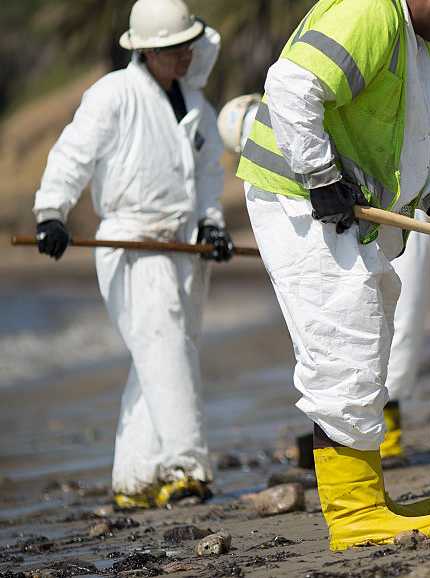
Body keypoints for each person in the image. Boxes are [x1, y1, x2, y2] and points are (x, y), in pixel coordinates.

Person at [235, 0, 430, 551]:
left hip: (335, 203)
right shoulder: (371, 11)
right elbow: (291, 86)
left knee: (367, 334)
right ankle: (354, 515)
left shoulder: (413, 42)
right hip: (300, 199)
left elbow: (412, 145)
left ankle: (369, 497)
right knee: (342, 340)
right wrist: (320, 175)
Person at [31, 0, 231, 509]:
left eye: (187, 44)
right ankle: (186, 469)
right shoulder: (113, 94)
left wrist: (212, 224)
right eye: (174, 47)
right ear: (147, 51)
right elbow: (73, 153)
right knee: (165, 348)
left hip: (185, 245)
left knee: (161, 356)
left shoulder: (197, 106)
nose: (185, 54)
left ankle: (135, 479)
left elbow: (209, 176)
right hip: (132, 242)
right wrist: (51, 212)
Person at [218, 93, 430, 466]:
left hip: (379, 218)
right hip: (376, 218)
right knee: (370, 331)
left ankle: (379, 439)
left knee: (361, 332)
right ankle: (377, 442)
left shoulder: (288, 117)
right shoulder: (288, 117)